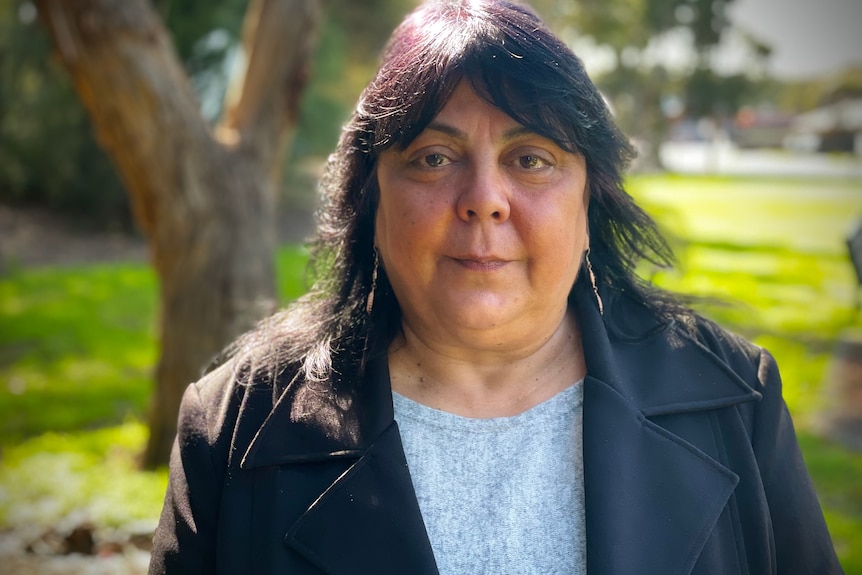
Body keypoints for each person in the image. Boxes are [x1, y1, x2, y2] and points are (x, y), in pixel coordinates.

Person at [148, 1, 844, 573]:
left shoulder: (736, 400)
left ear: (589, 202)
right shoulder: (232, 428)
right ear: (371, 197)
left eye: (531, 158)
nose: (484, 198)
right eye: (434, 156)